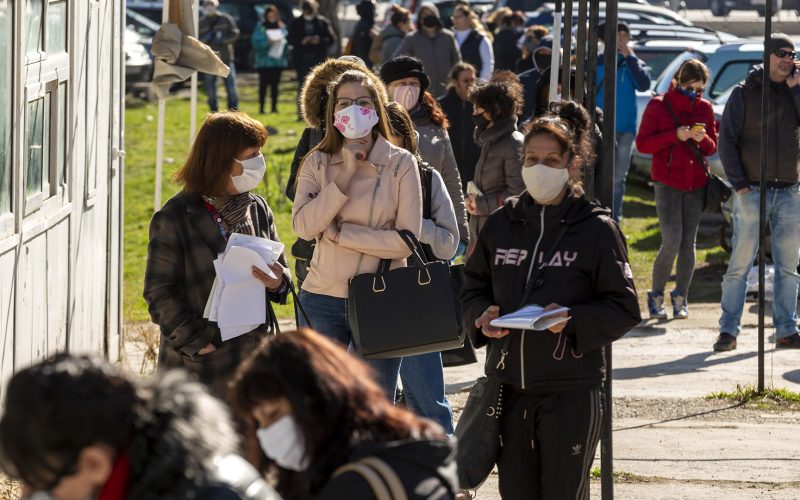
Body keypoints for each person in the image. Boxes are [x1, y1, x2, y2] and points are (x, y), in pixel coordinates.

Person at [461, 101, 641, 500]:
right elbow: (471, 286)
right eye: (531, 158)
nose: (538, 167)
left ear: (571, 164)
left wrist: (572, 319)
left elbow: (625, 309)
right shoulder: (501, 224)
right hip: (508, 392)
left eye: (550, 159)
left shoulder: (596, 230)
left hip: (571, 394)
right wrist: (481, 315)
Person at [291, 69, 423, 399]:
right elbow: (304, 227)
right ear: (332, 111)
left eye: (363, 102)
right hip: (322, 297)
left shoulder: (401, 163)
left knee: (375, 403)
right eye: (345, 103)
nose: (353, 110)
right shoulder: (316, 162)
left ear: (377, 109)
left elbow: (406, 241)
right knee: (323, 403)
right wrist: (345, 174)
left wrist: (342, 235)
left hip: (383, 298)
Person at [144, 111, 289, 398]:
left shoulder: (256, 208)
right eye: (252, 155)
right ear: (222, 160)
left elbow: (281, 274)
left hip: (251, 357)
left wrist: (277, 281)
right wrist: (198, 343)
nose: (259, 162)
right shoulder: (174, 218)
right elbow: (158, 293)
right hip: (199, 366)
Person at [0, 354, 279, 500]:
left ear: (94, 464)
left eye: (41, 485)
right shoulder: (153, 476)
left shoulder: (214, 495)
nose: (26, 496)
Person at [230, 329, 459, 499]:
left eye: (274, 414)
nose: (266, 433)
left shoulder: (353, 486)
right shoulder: (415, 446)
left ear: (318, 396)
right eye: (259, 422)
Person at [714, 34, 800, 352]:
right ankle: (728, 330)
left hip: (790, 191)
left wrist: (797, 90)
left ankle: (787, 330)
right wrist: (739, 183)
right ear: (767, 56)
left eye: (792, 54)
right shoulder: (744, 93)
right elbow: (727, 142)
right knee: (740, 263)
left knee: (789, 266)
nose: (787, 59)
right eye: (781, 53)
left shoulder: (795, 92)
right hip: (751, 190)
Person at [385, 101, 458, 433]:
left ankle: (447, 475)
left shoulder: (428, 179)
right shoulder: (350, 176)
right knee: (374, 401)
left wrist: (415, 226)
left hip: (415, 298)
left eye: (388, 136)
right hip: (364, 296)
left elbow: (449, 243)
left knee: (429, 399)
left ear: (405, 138)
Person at [636, 59, 717, 320]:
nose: (696, 94)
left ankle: (681, 296)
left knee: (688, 244)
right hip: (668, 182)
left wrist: (700, 137)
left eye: (700, 89)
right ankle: (656, 295)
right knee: (671, 239)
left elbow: (711, 147)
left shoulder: (705, 108)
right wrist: (675, 135)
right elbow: (643, 144)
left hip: (696, 184)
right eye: (691, 88)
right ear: (680, 83)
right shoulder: (659, 105)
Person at [380, 56, 470, 248]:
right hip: (385, 230)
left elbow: (451, 178)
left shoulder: (435, 124)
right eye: (402, 83)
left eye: (414, 83)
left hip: (430, 230)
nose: (409, 88)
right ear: (387, 87)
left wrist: (460, 230)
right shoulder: (374, 124)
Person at [596, 21, 651, 222]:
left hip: (626, 128)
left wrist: (631, 57)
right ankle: (598, 215)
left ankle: (615, 219)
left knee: (618, 178)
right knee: (600, 175)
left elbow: (644, 84)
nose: (621, 40)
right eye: (617, 36)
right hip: (601, 127)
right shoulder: (596, 61)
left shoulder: (632, 62)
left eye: (624, 36)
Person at [466, 71, 526, 255]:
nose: (474, 113)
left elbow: (518, 194)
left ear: (496, 110)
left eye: (478, 109)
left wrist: (481, 204)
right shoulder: (489, 142)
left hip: (502, 237)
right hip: (483, 231)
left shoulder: (514, 143)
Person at [392, 2, 460, 97]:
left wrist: (454, 80)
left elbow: (457, 61)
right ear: (420, 18)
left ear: (436, 16)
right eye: (424, 14)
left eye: (431, 13)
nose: (428, 16)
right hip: (423, 92)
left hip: (447, 91)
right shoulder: (412, 38)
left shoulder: (448, 36)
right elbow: (396, 59)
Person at [288, 0, 337, 120]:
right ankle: (301, 113)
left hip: (318, 59)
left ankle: (321, 112)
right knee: (302, 86)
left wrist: (319, 40)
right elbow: (290, 39)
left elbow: (331, 39)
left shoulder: (322, 22)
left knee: (321, 86)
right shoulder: (296, 22)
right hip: (301, 59)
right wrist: (301, 41)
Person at [438, 62, 482, 194]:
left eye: (472, 80)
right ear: (456, 82)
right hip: (450, 165)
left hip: (474, 166)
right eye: (465, 80)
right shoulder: (442, 105)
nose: (470, 84)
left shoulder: (480, 105)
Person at [199, 0, 240, 112]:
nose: (209, 7)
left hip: (226, 58)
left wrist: (223, 40)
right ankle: (214, 112)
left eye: (211, 4)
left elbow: (235, 33)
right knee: (210, 89)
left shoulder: (225, 19)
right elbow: (197, 41)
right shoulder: (201, 22)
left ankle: (233, 111)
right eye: (207, 5)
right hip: (210, 61)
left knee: (231, 87)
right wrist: (206, 40)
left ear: (216, 5)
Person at [252, 5, 288, 115]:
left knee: (275, 86)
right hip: (264, 62)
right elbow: (255, 42)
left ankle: (274, 108)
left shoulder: (281, 26)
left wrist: (281, 42)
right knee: (263, 85)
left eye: (273, 15)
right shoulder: (260, 26)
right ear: (266, 16)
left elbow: (286, 42)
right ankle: (261, 108)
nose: (271, 17)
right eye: (269, 15)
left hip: (277, 62)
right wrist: (267, 43)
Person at [450, 4, 494, 82]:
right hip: (455, 86)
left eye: (459, 16)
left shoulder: (480, 39)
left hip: (474, 85)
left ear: (468, 17)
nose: (456, 19)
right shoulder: (449, 37)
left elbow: (487, 63)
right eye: (454, 17)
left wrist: (482, 83)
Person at [519, 35, 554, 122]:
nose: (545, 58)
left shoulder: (565, 79)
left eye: (549, 54)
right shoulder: (523, 79)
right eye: (542, 54)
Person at [369, 4, 412, 68]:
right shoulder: (396, 41)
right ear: (400, 24)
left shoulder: (386, 34)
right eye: (409, 23)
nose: (410, 26)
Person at [349, 0, 377, 65]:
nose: (374, 11)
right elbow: (361, 51)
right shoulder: (364, 26)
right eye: (373, 9)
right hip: (363, 65)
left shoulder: (367, 24)